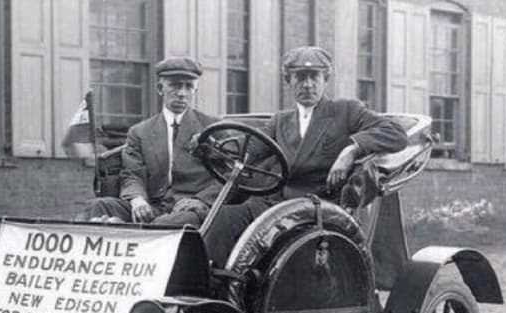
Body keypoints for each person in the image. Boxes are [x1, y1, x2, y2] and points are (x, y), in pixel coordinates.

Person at [204, 46, 408, 266]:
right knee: (224, 218)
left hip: (318, 207)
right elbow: (248, 151)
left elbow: (395, 133)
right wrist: (213, 148)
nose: (308, 84)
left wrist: (352, 149)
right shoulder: (280, 121)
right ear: (289, 82)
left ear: (325, 79)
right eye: (300, 78)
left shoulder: (346, 111)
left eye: (314, 77)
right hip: (275, 204)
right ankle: (217, 287)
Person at [83, 56, 222, 225]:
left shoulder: (212, 128)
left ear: (195, 90)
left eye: (189, 87)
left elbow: (228, 176)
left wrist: (201, 200)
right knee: (99, 207)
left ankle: (125, 232)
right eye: (175, 85)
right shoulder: (140, 132)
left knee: (163, 224)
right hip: (152, 206)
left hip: (191, 209)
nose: (182, 93)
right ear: (160, 88)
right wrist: (137, 199)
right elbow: (131, 174)